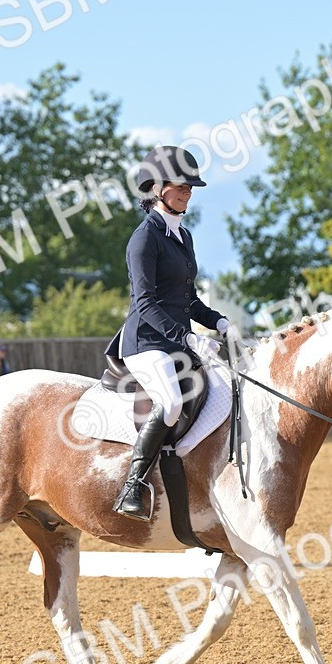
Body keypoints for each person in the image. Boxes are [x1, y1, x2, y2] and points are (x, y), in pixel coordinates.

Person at [105, 145, 236, 519]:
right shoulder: (144, 238)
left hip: (178, 342)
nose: (188, 192)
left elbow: (187, 298)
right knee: (173, 402)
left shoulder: (184, 236)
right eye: (182, 186)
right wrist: (190, 339)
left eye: (191, 188)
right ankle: (132, 485)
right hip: (146, 342)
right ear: (159, 187)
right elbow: (145, 304)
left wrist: (218, 321)